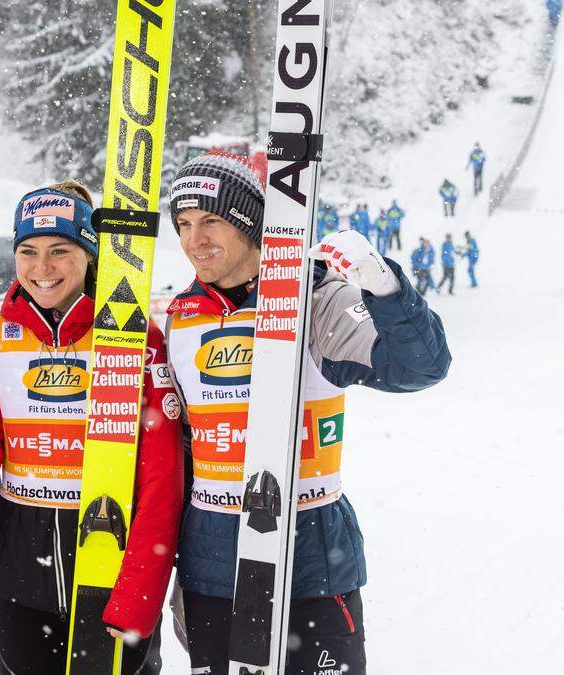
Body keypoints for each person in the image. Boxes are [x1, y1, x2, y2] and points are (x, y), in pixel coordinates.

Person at [162, 152, 450, 674]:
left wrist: (381, 285)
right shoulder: (181, 317)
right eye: (183, 224)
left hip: (310, 557)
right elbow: (180, 445)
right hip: (213, 563)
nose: (193, 240)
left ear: (249, 224)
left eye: (211, 220)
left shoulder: (314, 300)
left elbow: (418, 367)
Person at [0, 180, 184, 675]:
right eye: (27, 251)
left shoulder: (135, 338)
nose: (42, 268)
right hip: (22, 583)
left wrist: (138, 594)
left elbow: (161, 482)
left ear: (90, 255)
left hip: (110, 571)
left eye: (60, 250)